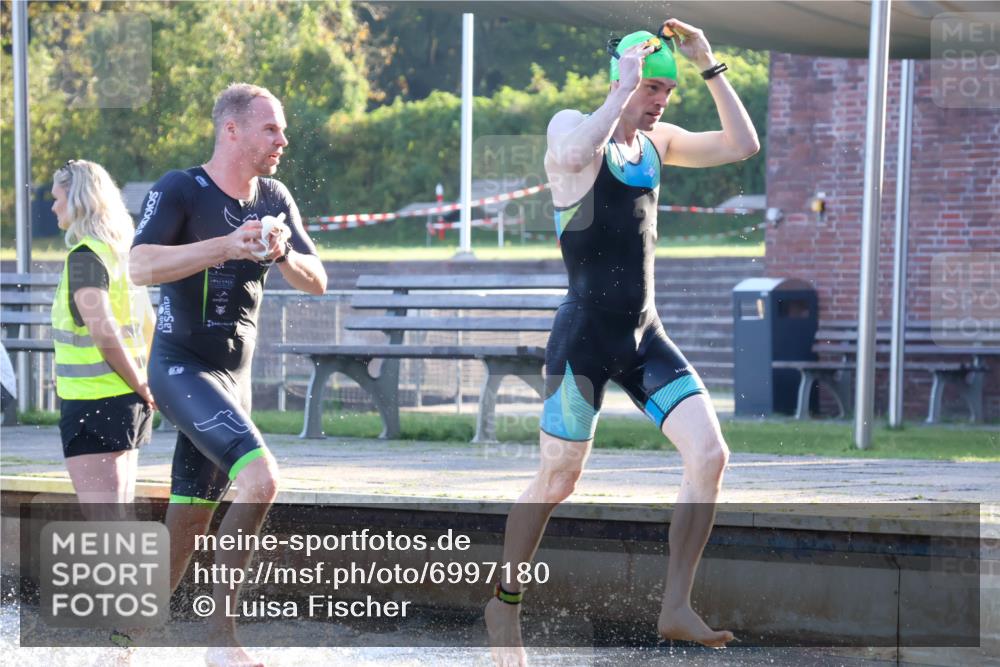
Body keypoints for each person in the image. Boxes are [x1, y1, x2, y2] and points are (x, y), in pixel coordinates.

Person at [485, 18, 759, 665]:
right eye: (648, 87)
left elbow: (741, 145)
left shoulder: (659, 142)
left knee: (710, 455)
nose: (658, 99)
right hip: (582, 339)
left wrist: (709, 63)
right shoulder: (570, 125)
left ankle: (676, 605)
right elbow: (574, 157)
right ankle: (504, 601)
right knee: (556, 480)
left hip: (644, 336)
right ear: (620, 78)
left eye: (665, 89)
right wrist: (620, 93)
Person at [129, 83, 327, 666]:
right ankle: (220, 643)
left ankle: (118, 645)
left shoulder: (275, 196)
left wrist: (283, 253)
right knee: (261, 481)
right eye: (271, 128)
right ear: (232, 130)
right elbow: (139, 265)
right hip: (180, 368)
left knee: (188, 519)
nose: (283, 139)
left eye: (282, 129)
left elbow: (319, 279)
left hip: (231, 380)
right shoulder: (180, 189)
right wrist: (226, 246)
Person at [50, 159, 155, 518]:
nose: (53, 207)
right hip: (125, 401)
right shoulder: (120, 255)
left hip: (94, 404)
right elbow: (149, 322)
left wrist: (141, 384)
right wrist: (144, 384)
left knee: (105, 527)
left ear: (78, 201)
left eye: (58, 198)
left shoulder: (85, 259)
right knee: (118, 519)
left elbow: (103, 329)